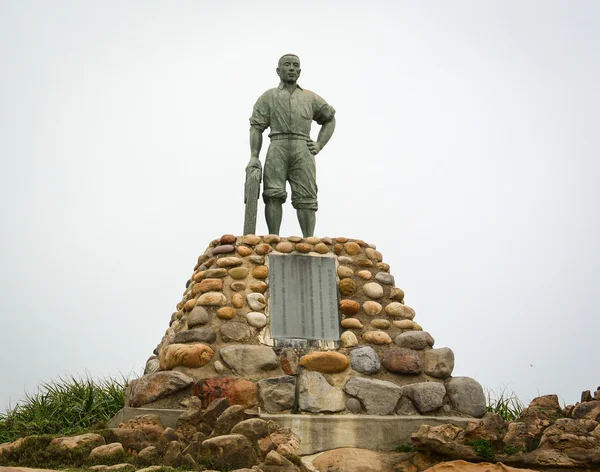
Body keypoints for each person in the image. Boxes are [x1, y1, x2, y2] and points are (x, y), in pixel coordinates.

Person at [247, 54, 336, 237]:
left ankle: (310, 240)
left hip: (303, 147)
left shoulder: (310, 98)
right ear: (278, 70)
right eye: (287, 65)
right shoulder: (269, 96)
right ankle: (273, 237)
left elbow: (329, 119)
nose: (292, 68)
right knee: (273, 193)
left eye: (296, 65)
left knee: (307, 197)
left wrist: (318, 145)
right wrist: (254, 156)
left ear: (300, 71)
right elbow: (256, 127)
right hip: (277, 145)